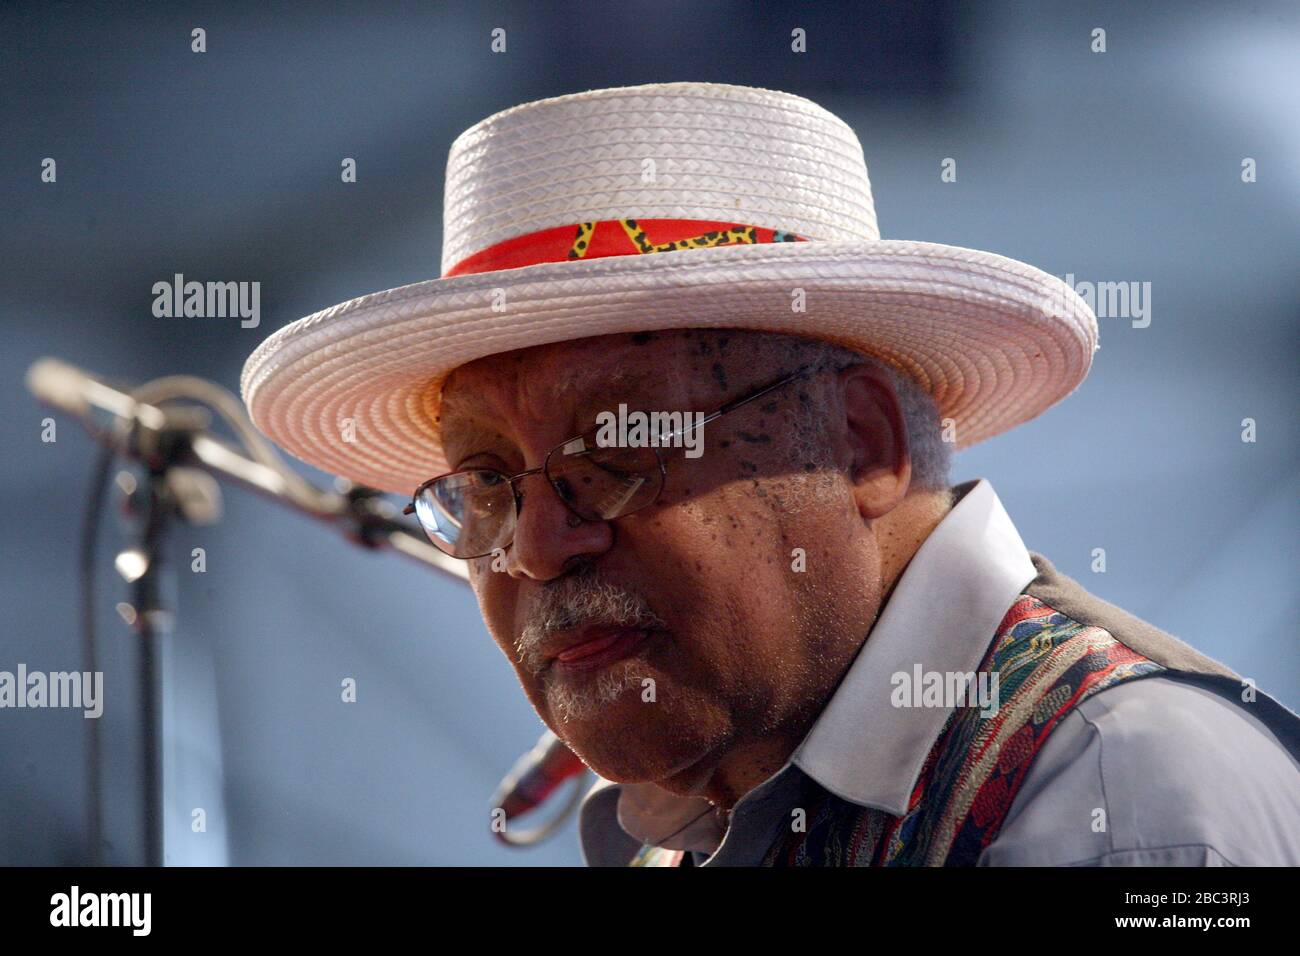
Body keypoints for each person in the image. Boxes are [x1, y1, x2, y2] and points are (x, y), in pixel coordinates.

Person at [242, 82, 1300, 866]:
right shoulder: (717, 810)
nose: (534, 543)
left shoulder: (1126, 798)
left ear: (860, 445)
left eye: (616, 446)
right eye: (482, 480)